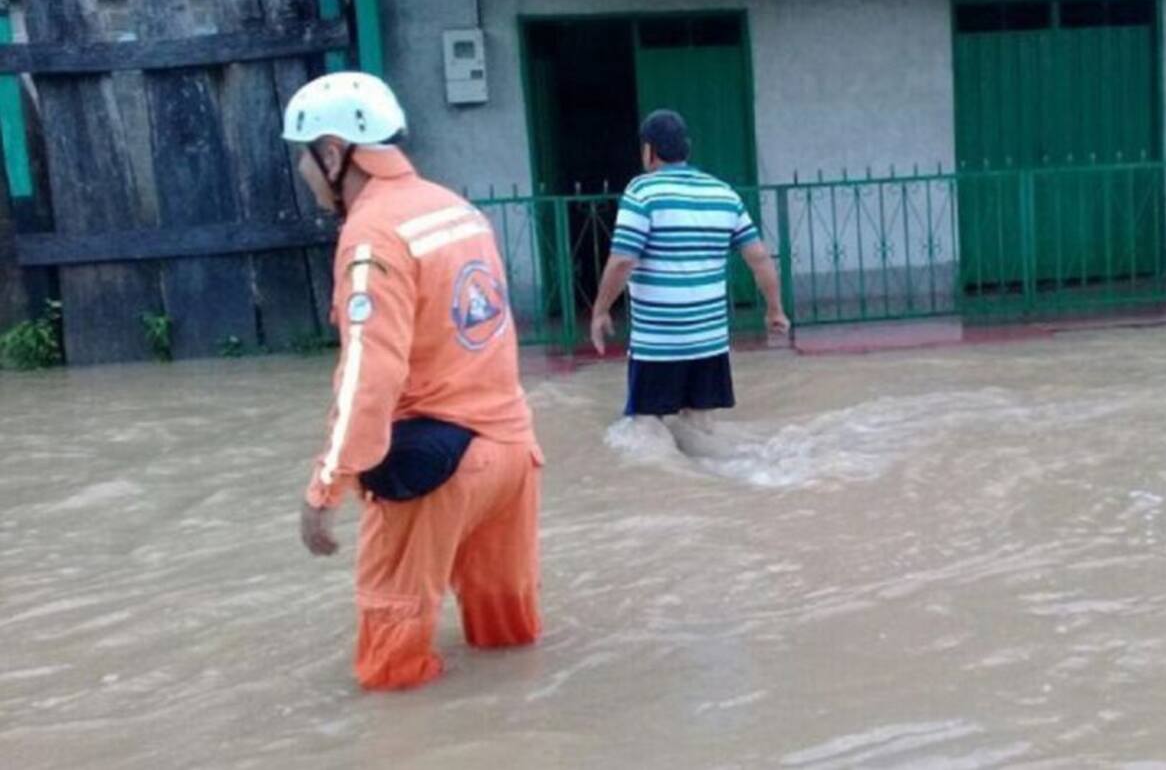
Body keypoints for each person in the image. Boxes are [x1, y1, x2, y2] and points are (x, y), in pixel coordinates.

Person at [284, 72, 542, 691]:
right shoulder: (456, 209)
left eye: (304, 156)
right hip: (512, 454)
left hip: (437, 469)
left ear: (333, 153)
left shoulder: (371, 235)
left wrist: (325, 487)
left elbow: (368, 376)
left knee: (391, 674)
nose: (303, 171)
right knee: (510, 648)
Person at [590, 109, 789, 433]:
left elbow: (623, 260)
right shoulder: (724, 193)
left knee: (647, 426)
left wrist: (600, 310)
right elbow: (760, 258)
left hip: (658, 341)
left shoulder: (642, 192)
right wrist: (775, 310)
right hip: (709, 340)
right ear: (687, 148)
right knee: (700, 425)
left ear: (649, 150)